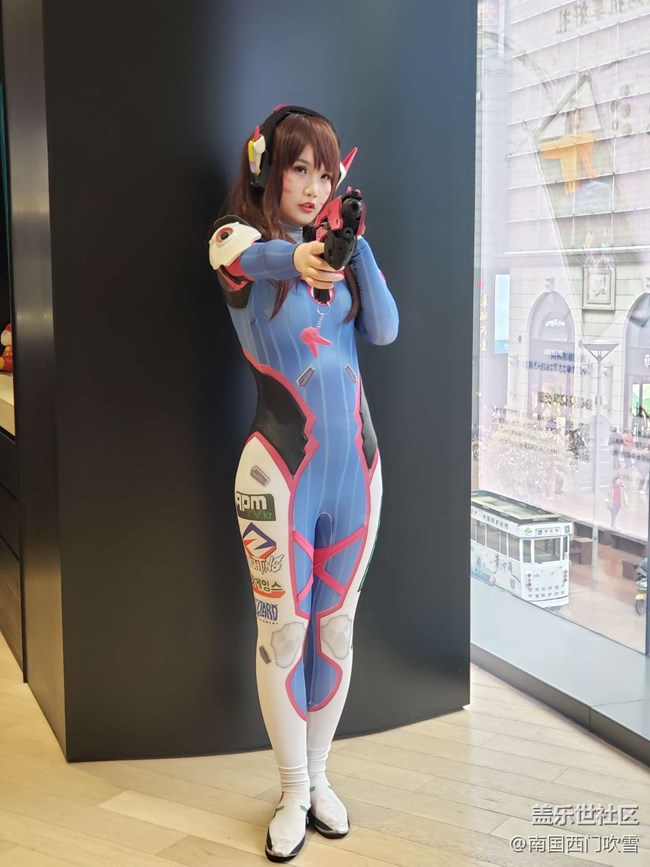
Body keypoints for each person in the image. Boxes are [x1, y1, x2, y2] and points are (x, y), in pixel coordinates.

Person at [209, 105, 398, 862]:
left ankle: (319, 777)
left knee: (336, 628)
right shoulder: (236, 241)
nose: (315, 186)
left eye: (326, 172)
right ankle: (291, 788)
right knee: (285, 633)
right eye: (299, 169)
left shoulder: (340, 254)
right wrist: (305, 257)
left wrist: (356, 249)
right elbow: (249, 258)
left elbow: (383, 329)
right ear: (267, 170)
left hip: (359, 474)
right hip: (277, 476)